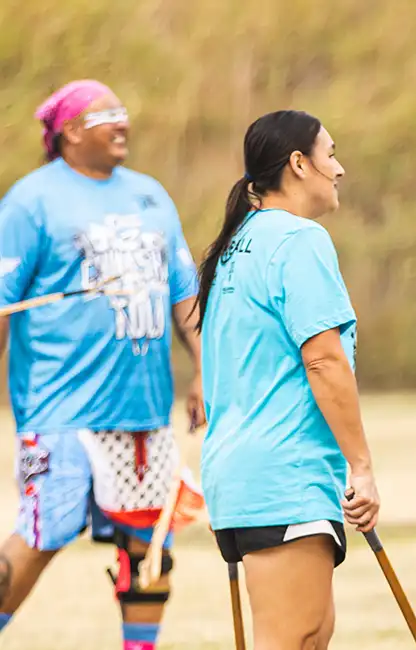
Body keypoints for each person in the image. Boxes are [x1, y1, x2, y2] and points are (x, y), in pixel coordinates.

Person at [0, 79, 205, 650]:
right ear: (68, 133)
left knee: (150, 545)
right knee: (44, 532)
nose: (123, 122)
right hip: (59, 407)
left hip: (142, 409)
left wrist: (204, 371)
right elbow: (2, 305)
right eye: (106, 115)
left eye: (123, 111)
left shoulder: (151, 195)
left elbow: (183, 294)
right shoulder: (30, 201)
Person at [193, 109, 379, 650]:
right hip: (282, 475)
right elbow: (323, 361)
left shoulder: (236, 243)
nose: (339, 169)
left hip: (247, 476)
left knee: (309, 636)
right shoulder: (299, 240)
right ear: (299, 164)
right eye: (330, 154)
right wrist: (362, 467)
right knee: (293, 637)